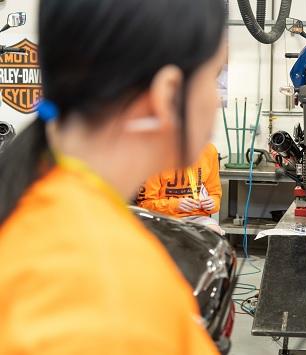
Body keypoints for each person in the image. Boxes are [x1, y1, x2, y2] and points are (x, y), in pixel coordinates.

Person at [0, 0, 226, 354]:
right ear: (166, 95)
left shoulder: (40, 208)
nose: (218, 101)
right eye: (215, 77)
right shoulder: (112, 298)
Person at [137, 142, 224, 235]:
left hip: (197, 218)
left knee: (213, 233)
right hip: (161, 218)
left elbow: (215, 196)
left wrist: (212, 204)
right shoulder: (154, 155)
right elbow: (144, 205)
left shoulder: (209, 150)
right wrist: (175, 204)